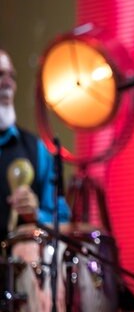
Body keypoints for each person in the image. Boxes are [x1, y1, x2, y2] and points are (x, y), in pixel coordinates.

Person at [0, 48, 71, 310]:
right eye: (0, 75)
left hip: (13, 268)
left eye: (11, 76)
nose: (7, 83)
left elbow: (61, 220)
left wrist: (35, 215)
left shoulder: (36, 150)